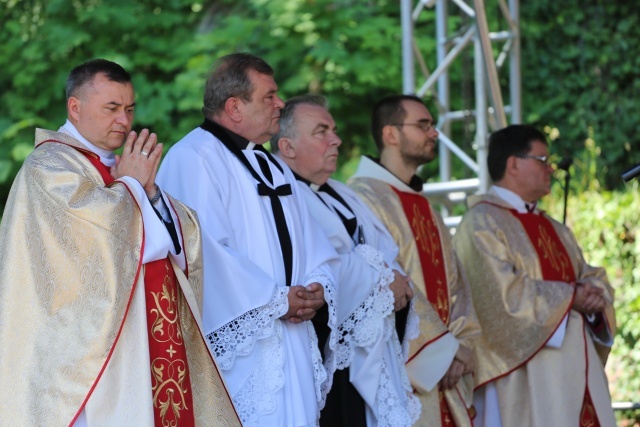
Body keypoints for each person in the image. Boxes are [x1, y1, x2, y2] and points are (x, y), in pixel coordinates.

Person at [0, 59, 239, 426]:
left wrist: (152, 194)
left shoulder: (122, 168)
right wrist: (130, 187)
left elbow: (180, 237)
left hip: (143, 340)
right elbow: (95, 242)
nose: (124, 121)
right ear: (74, 107)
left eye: (129, 109)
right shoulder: (47, 167)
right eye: (111, 108)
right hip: (89, 355)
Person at [157, 53, 341, 426]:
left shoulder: (273, 165)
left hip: (291, 337)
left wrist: (319, 287)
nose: (280, 103)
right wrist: (275, 301)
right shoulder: (192, 157)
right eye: (269, 96)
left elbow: (315, 244)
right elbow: (202, 255)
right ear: (234, 107)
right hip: (242, 350)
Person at [453, 124, 616, 427]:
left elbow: (587, 275)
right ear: (513, 164)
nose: (551, 170)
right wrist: (572, 296)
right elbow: (499, 300)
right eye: (542, 161)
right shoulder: (480, 223)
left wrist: (595, 293)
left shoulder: (554, 227)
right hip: (522, 376)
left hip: (577, 369)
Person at [272, 94, 420, 426]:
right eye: (321, 131)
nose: (335, 139)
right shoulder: (280, 197)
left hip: (371, 342)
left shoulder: (343, 191)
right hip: (325, 352)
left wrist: (391, 278)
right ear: (288, 146)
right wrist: (384, 281)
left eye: (334, 130)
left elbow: (387, 251)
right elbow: (321, 268)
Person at [349, 94, 480, 427]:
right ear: (391, 134)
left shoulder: (427, 207)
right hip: (403, 372)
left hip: (447, 373)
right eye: (424, 125)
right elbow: (388, 281)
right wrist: (441, 354)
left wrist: (461, 349)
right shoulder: (361, 197)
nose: (434, 133)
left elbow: (457, 286)